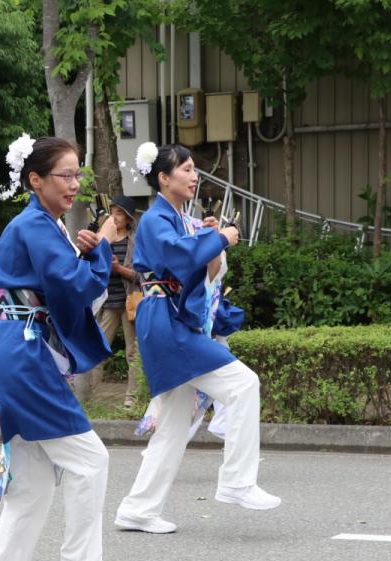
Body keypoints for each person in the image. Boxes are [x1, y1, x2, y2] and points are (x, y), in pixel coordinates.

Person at [0, 135, 134, 561]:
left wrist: (88, 253)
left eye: (78, 175)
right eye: (65, 175)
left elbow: (64, 285)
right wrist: (98, 252)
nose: (74, 184)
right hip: (24, 354)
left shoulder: (44, 226)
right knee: (90, 459)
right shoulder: (36, 225)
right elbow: (76, 288)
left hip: (16, 351)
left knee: (33, 485)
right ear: (35, 179)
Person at [114, 143, 279, 536]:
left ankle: (137, 509)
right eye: (185, 169)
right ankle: (237, 481)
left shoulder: (173, 219)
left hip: (167, 321)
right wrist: (219, 237)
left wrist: (211, 240)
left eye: (193, 170)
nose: (193, 176)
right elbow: (181, 257)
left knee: (172, 424)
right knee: (243, 384)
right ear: (163, 178)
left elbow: (203, 268)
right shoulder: (157, 219)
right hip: (167, 324)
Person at [89, 195, 141, 407]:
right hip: (107, 304)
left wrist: (119, 269)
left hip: (130, 303)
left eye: (119, 213)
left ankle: (132, 398)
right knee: (97, 349)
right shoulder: (102, 239)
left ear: (128, 218)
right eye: (112, 212)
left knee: (133, 353)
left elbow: (141, 276)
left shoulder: (135, 242)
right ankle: (88, 396)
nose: (114, 217)